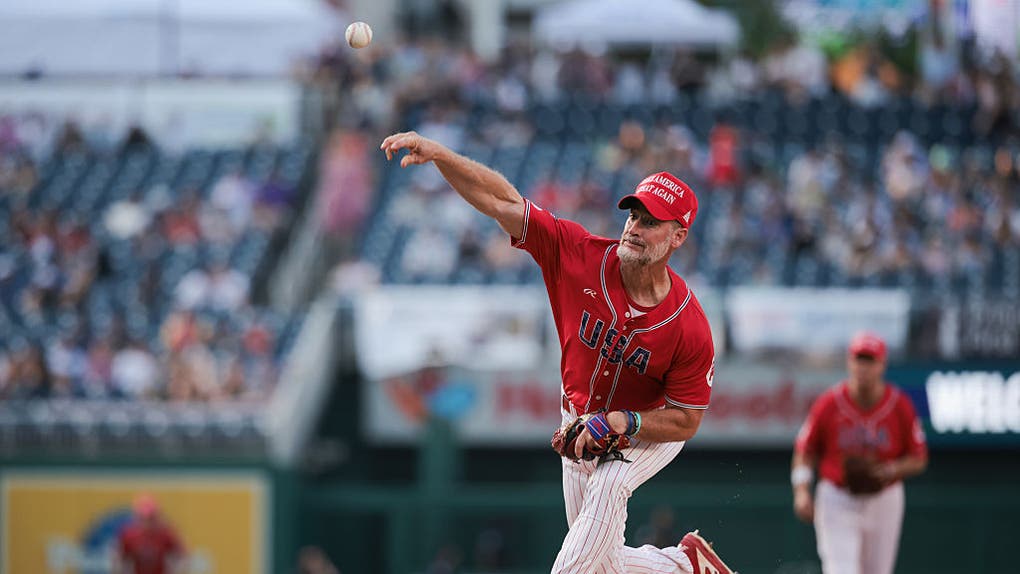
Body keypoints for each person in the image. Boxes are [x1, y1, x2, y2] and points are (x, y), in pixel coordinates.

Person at [381, 131, 734, 574]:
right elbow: (501, 201)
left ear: (677, 237)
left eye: (650, 222)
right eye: (633, 215)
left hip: (648, 427)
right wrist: (441, 155)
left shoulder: (689, 326)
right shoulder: (578, 255)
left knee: (607, 497)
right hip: (578, 420)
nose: (634, 228)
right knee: (600, 563)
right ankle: (683, 567)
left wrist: (626, 420)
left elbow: (688, 418)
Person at [792, 332, 928, 574]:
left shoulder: (899, 405)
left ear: (882, 365)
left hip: (884, 497)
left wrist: (891, 469)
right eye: (859, 359)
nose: (863, 367)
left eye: (870, 360)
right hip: (838, 496)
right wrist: (802, 490)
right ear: (849, 362)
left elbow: (919, 457)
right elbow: (805, 449)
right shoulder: (830, 403)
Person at [114, 493, 186, 574]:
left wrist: (174, 569)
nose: (147, 522)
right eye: (144, 518)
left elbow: (182, 555)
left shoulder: (165, 533)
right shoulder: (128, 534)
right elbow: (119, 559)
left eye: (151, 517)